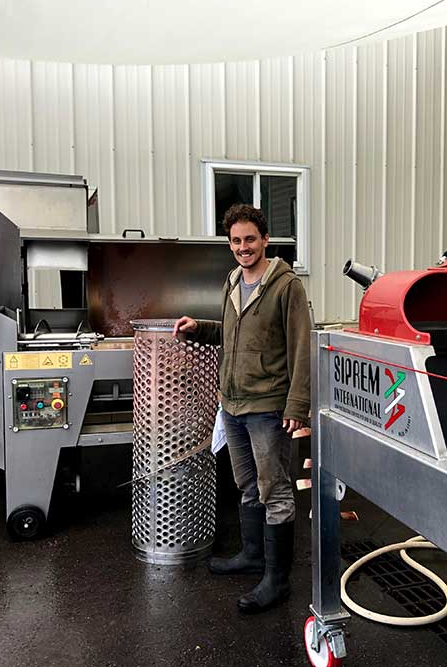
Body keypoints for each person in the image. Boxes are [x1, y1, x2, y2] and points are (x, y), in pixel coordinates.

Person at [173, 203, 311, 614]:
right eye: (235, 240)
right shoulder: (233, 281)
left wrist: (297, 404)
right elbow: (233, 335)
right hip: (232, 404)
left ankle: (277, 581)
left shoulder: (287, 287)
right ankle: (253, 556)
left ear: (265, 240)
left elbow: (303, 348)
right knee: (247, 484)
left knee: (275, 490)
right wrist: (200, 328)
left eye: (250, 239)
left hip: (268, 406)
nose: (243, 247)